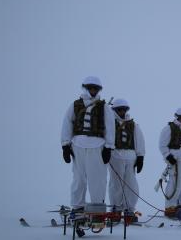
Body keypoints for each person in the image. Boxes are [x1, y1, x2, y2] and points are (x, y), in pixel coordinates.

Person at [60, 76, 115, 210]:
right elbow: (67, 123)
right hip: (78, 144)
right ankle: (78, 206)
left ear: (98, 90)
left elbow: (110, 127)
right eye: (90, 87)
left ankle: (97, 207)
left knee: (97, 178)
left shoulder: (104, 107)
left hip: (97, 146)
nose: (93, 90)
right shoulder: (75, 105)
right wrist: (65, 145)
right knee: (79, 178)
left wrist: (109, 147)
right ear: (86, 88)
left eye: (95, 88)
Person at [108, 98, 145, 215]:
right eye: (119, 110)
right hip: (115, 156)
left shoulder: (133, 125)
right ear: (114, 110)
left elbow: (140, 140)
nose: (122, 112)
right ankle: (116, 208)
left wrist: (140, 157)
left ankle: (129, 209)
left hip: (130, 158)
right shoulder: (109, 123)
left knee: (131, 184)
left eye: (124, 109)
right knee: (116, 183)